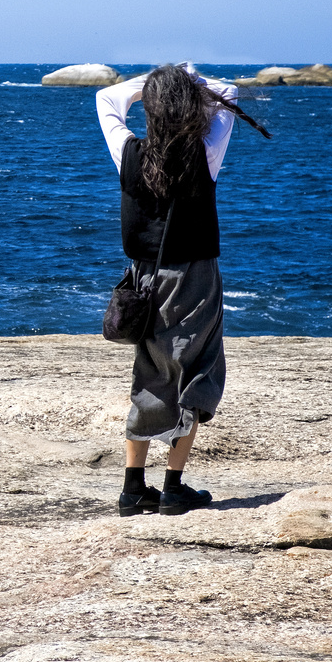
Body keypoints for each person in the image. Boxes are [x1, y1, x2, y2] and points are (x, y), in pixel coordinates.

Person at [95, 63, 270, 517]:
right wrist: (191, 80)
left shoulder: (129, 153)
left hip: (144, 277)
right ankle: (173, 487)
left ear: (151, 107)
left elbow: (107, 99)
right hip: (193, 277)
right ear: (190, 106)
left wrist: (153, 83)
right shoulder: (206, 151)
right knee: (197, 370)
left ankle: (133, 489)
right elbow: (227, 90)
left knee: (150, 372)